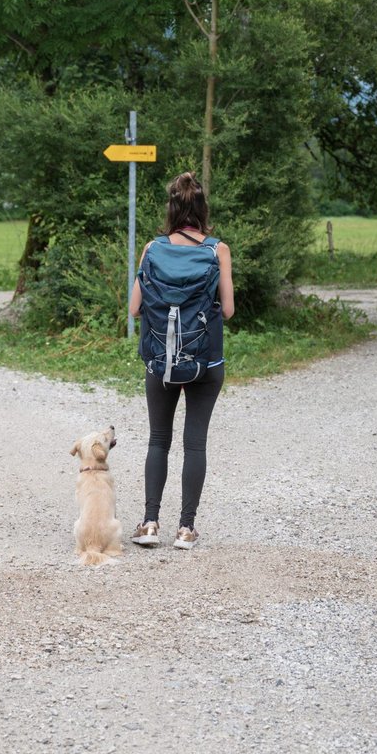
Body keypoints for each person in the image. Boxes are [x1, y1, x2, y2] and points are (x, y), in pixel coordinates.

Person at [128, 171, 234, 551]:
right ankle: (186, 529)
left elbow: (135, 308)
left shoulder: (152, 250)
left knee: (158, 439)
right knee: (195, 443)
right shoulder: (216, 250)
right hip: (206, 360)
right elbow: (229, 310)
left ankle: (150, 523)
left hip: (160, 358)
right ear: (202, 209)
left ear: (171, 209)